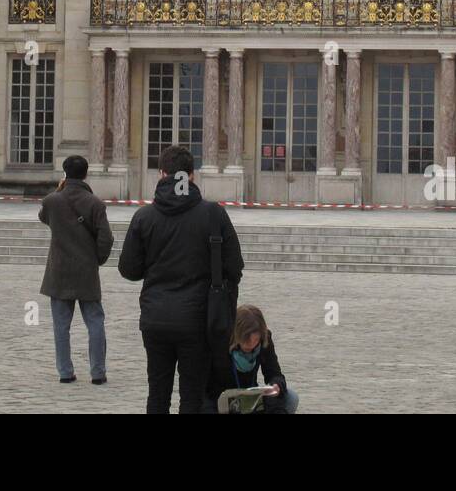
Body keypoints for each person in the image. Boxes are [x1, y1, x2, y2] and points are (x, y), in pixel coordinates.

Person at [118, 144, 244, 414]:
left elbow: (128, 269)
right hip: (197, 320)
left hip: (155, 318)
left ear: (161, 174)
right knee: (192, 397)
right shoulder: (213, 214)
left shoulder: (144, 217)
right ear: (192, 176)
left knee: (158, 394)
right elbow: (234, 267)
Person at [38, 155, 114, 384]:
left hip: (59, 271)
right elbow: (106, 239)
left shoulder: (52, 201)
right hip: (86, 270)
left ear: (65, 174)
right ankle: (98, 372)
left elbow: (44, 218)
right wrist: (96, 260)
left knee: (61, 326)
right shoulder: (95, 204)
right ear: (86, 174)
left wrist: (59, 190)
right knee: (95, 322)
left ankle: (65, 372)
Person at [213, 305, 298, 415]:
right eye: (246, 340)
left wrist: (276, 386)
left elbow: (275, 374)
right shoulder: (222, 343)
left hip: (251, 398)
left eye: (256, 340)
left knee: (291, 397)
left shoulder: (264, 341)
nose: (251, 345)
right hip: (225, 401)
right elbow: (208, 389)